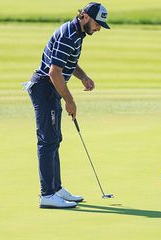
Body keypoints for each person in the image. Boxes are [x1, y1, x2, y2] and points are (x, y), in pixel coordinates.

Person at [22, 2, 110, 208]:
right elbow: (54, 72)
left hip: (51, 89)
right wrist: (70, 100)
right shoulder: (69, 36)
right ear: (85, 17)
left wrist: (83, 76)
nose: (98, 29)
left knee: (54, 139)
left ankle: (56, 188)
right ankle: (47, 194)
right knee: (47, 141)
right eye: (97, 24)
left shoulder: (76, 33)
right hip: (44, 88)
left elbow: (66, 62)